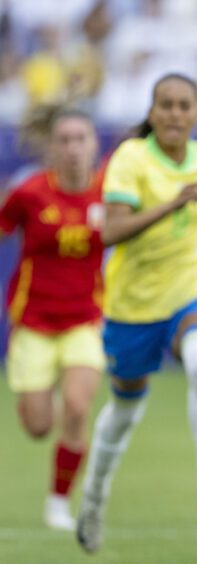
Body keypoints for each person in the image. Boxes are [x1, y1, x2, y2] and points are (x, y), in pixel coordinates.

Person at [75, 73, 197, 553]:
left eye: (184, 105)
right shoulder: (130, 160)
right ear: (152, 111)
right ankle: (94, 500)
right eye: (166, 105)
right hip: (132, 305)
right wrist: (171, 204)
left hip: (191, 289)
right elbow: (112, 231)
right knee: (124, 411)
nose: (175, 114)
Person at [0, 107, 105, 530]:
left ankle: (59, 502)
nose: (73, 148)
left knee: (79, 407)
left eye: (81, 138)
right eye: (64, 140)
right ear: (52, 147)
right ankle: (49, 400)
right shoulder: (29, 193)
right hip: (34, 323)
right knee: (40, 426)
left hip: (84, 319)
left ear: (94, 144)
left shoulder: (109, 195)